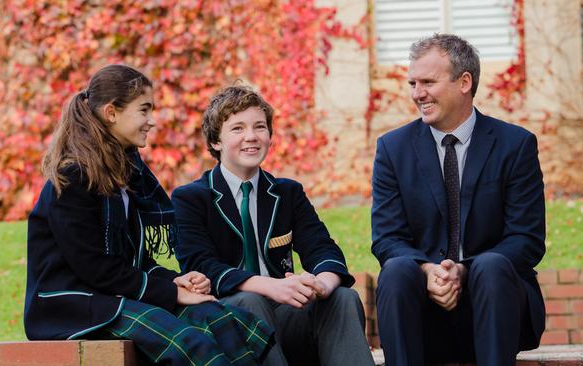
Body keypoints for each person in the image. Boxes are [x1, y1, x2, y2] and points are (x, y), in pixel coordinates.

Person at [24, 64, 275, 366]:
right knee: (189, 343)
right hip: (73, 306)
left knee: (220, 318)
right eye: (144, 110)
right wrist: (170, 292)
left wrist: (178, 281)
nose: (151, 121)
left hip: (113, 295)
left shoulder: (126, 175)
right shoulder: (73, 177)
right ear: (111, 113)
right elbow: (95, 269)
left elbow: (133, 261)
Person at [371, 33, 546, 365]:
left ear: (464, 82)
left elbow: (527, 239)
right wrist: (427, 271)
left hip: (497, 306)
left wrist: (464, 272)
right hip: (423, 314)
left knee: (493, 265)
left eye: (428, 82)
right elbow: (387, 238)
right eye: (412, 83)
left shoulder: (515, 145)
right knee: (396, 270)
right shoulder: (392, 149)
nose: (417, 93)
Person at [171, 85, 375, 366]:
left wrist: (321, 284)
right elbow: (201, 265)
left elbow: (322, 248)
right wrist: (270, 286)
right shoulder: (191, 198)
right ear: (216, 141)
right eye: (238, 129)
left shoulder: (287, 193)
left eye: (259, 127)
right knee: (251, 301)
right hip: (225, 321)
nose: (251, 137)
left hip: (284, 316)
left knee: (342, 298)